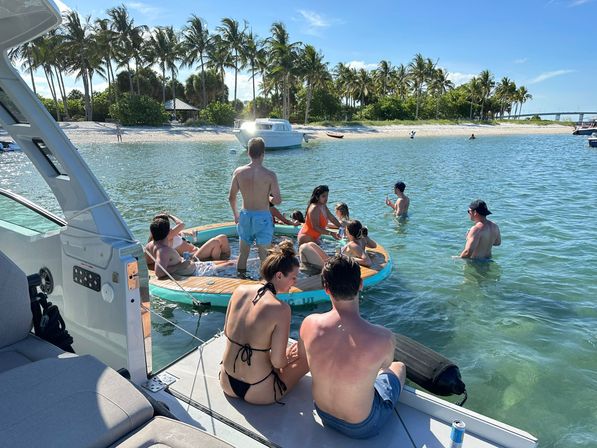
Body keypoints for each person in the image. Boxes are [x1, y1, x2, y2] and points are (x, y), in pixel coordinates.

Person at [300, 255, 406, 439]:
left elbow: (303, 356)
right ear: (360, 284)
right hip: (362, 427)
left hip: (322, 412)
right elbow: (385, 366)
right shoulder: (383, 337)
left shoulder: (309, 324)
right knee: (398, 367)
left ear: (326, 288)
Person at [220, 241, 309, 404]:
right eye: (293, 277)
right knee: (307, 358)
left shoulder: (239, 290)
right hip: (259, 389)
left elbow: (227, 331)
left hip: (226, 381)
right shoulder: (281, 309)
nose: (295, 282)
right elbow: (278, 362)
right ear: (279, 275)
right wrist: (288, 356)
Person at [228, 137, 282, 274]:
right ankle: (263, 285)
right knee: (264, 257)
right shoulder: (270, 175)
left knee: (243, 254)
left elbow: (231, 197)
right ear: (263, 153)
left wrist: (236, 215)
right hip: (263, 217)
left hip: (245, 215)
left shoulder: (239, 172)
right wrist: (267, 197)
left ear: (248, 153)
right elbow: (277, 200)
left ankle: (240, 281)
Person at [145, 217, 234, 279]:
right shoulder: (163, 250)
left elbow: (147, 262)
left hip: (195, 267)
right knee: (231, 265)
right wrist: (180, 266)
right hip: (196, 271)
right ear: (168, 232)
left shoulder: (150, 245)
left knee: (229, 263)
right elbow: (159, 273)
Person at [146, 213, 230, 264]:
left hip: (198, 250)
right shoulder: (167, 235)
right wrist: (170, 215)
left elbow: (181, 232)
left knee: (222, 237)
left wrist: (189, 234)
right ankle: (218, 264)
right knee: (215, 242)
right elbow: (181, 224)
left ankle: (227, 259)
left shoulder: (170, 233)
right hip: (193, 257)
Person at [299, 220, 376, 269]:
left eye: (346, 231)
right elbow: (374, 246)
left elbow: (367, 262)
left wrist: (346, 257)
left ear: (349, 233)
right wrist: (366, 237)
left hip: (333, 267)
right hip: (334, 260)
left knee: (304, 248)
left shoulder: (353, 244)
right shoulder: (363, 239)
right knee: (311, 244)